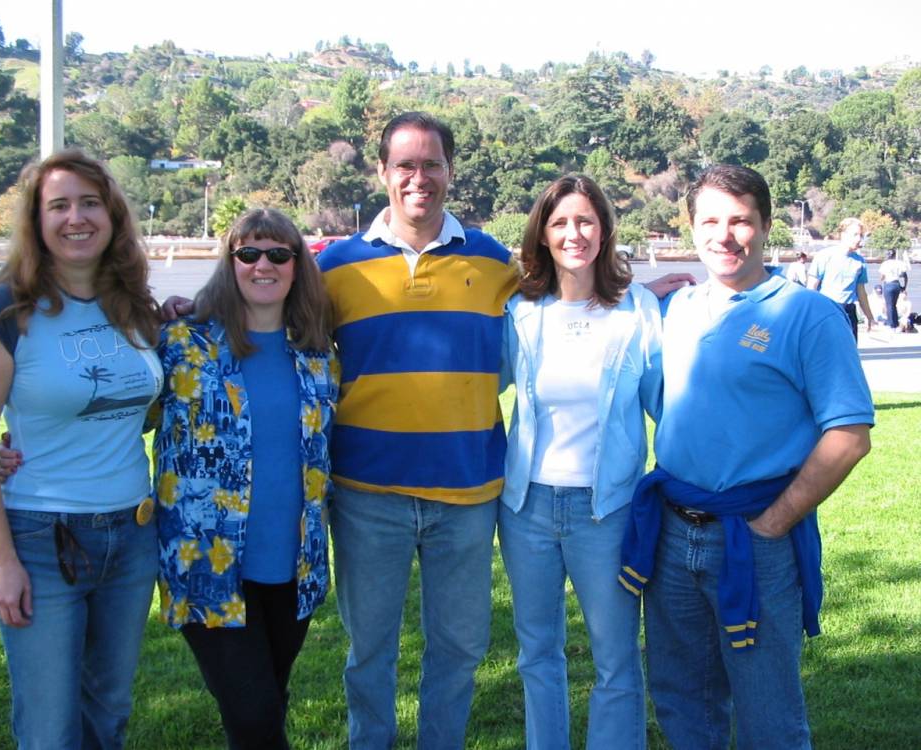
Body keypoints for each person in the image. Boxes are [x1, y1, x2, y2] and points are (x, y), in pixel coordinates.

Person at [620, 165, 874, 749]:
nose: (725, 235)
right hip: (672, 532)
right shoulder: (677, 309)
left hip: (754, 540)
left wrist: (773, 522)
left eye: (740, 220)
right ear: (690, 227)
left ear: (764, 226)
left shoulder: (806, 315)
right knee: (684, 702)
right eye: (710, 220)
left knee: (769, 714)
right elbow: (671, 405)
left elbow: (850, 435)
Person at [316, 111, 518, 749]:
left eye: (432, 163)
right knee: (368, 652)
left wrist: (645, 292)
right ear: (382, 172)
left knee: (459, 650)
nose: (418, 177)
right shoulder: (335, 268)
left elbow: (573, 299)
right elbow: (270, 329)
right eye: (405, 164)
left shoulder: (494, 261)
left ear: (451, 172)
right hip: (365, 492)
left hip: (467, 492)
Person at [0, 148, 164, 748]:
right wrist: (7, 561)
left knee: (108, 713)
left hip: (131, 533)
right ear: (37, 222)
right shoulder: (3, 314)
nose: (77, 218)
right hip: (39, 540)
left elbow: (137, 413)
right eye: (59, 205)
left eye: (90, 203)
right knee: (50, 728)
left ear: (112, 215)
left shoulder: (132, 306)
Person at [153, 208, 338, 749]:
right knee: (256, 716)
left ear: (297, 265)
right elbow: (117, 413)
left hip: (292, 566)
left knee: (264, 710)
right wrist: (15, 449)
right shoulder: (182, 343)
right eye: (249, 253)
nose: (264, 265)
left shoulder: (318, 355)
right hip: (207, 563)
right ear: (230, 263)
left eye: (279, 254)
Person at [498, 175, 662, 750]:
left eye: (586, 221)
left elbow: (668, 405)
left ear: (605, 230)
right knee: (537, 652)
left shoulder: (637, 309)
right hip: (526, 508)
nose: (574, 233)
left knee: (617, 659)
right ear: (542, 232)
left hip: (607, 509)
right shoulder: (518, 309)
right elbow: (474, 383)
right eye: (561, 221)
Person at [807, 217, 877, 340]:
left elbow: (861, 293)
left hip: (849, 311)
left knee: (849, 353)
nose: (858, 239)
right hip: (827, 309)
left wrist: (870, 317)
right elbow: (811, 289)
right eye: (855, 235)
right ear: (843, 234)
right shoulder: (824, 256)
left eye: (861, 235)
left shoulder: (860, 262)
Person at [878, 249, 909, 330]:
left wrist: (881, 279)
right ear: (895, 255)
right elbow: (905, 276)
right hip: (896, 284)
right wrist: (904, 286)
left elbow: (882, 276)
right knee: (893, 304)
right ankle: (895, 323)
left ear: (888, 255)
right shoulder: (899, 263)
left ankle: (891, 324)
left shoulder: (885, 264)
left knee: (889, 304)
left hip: (888, 283)